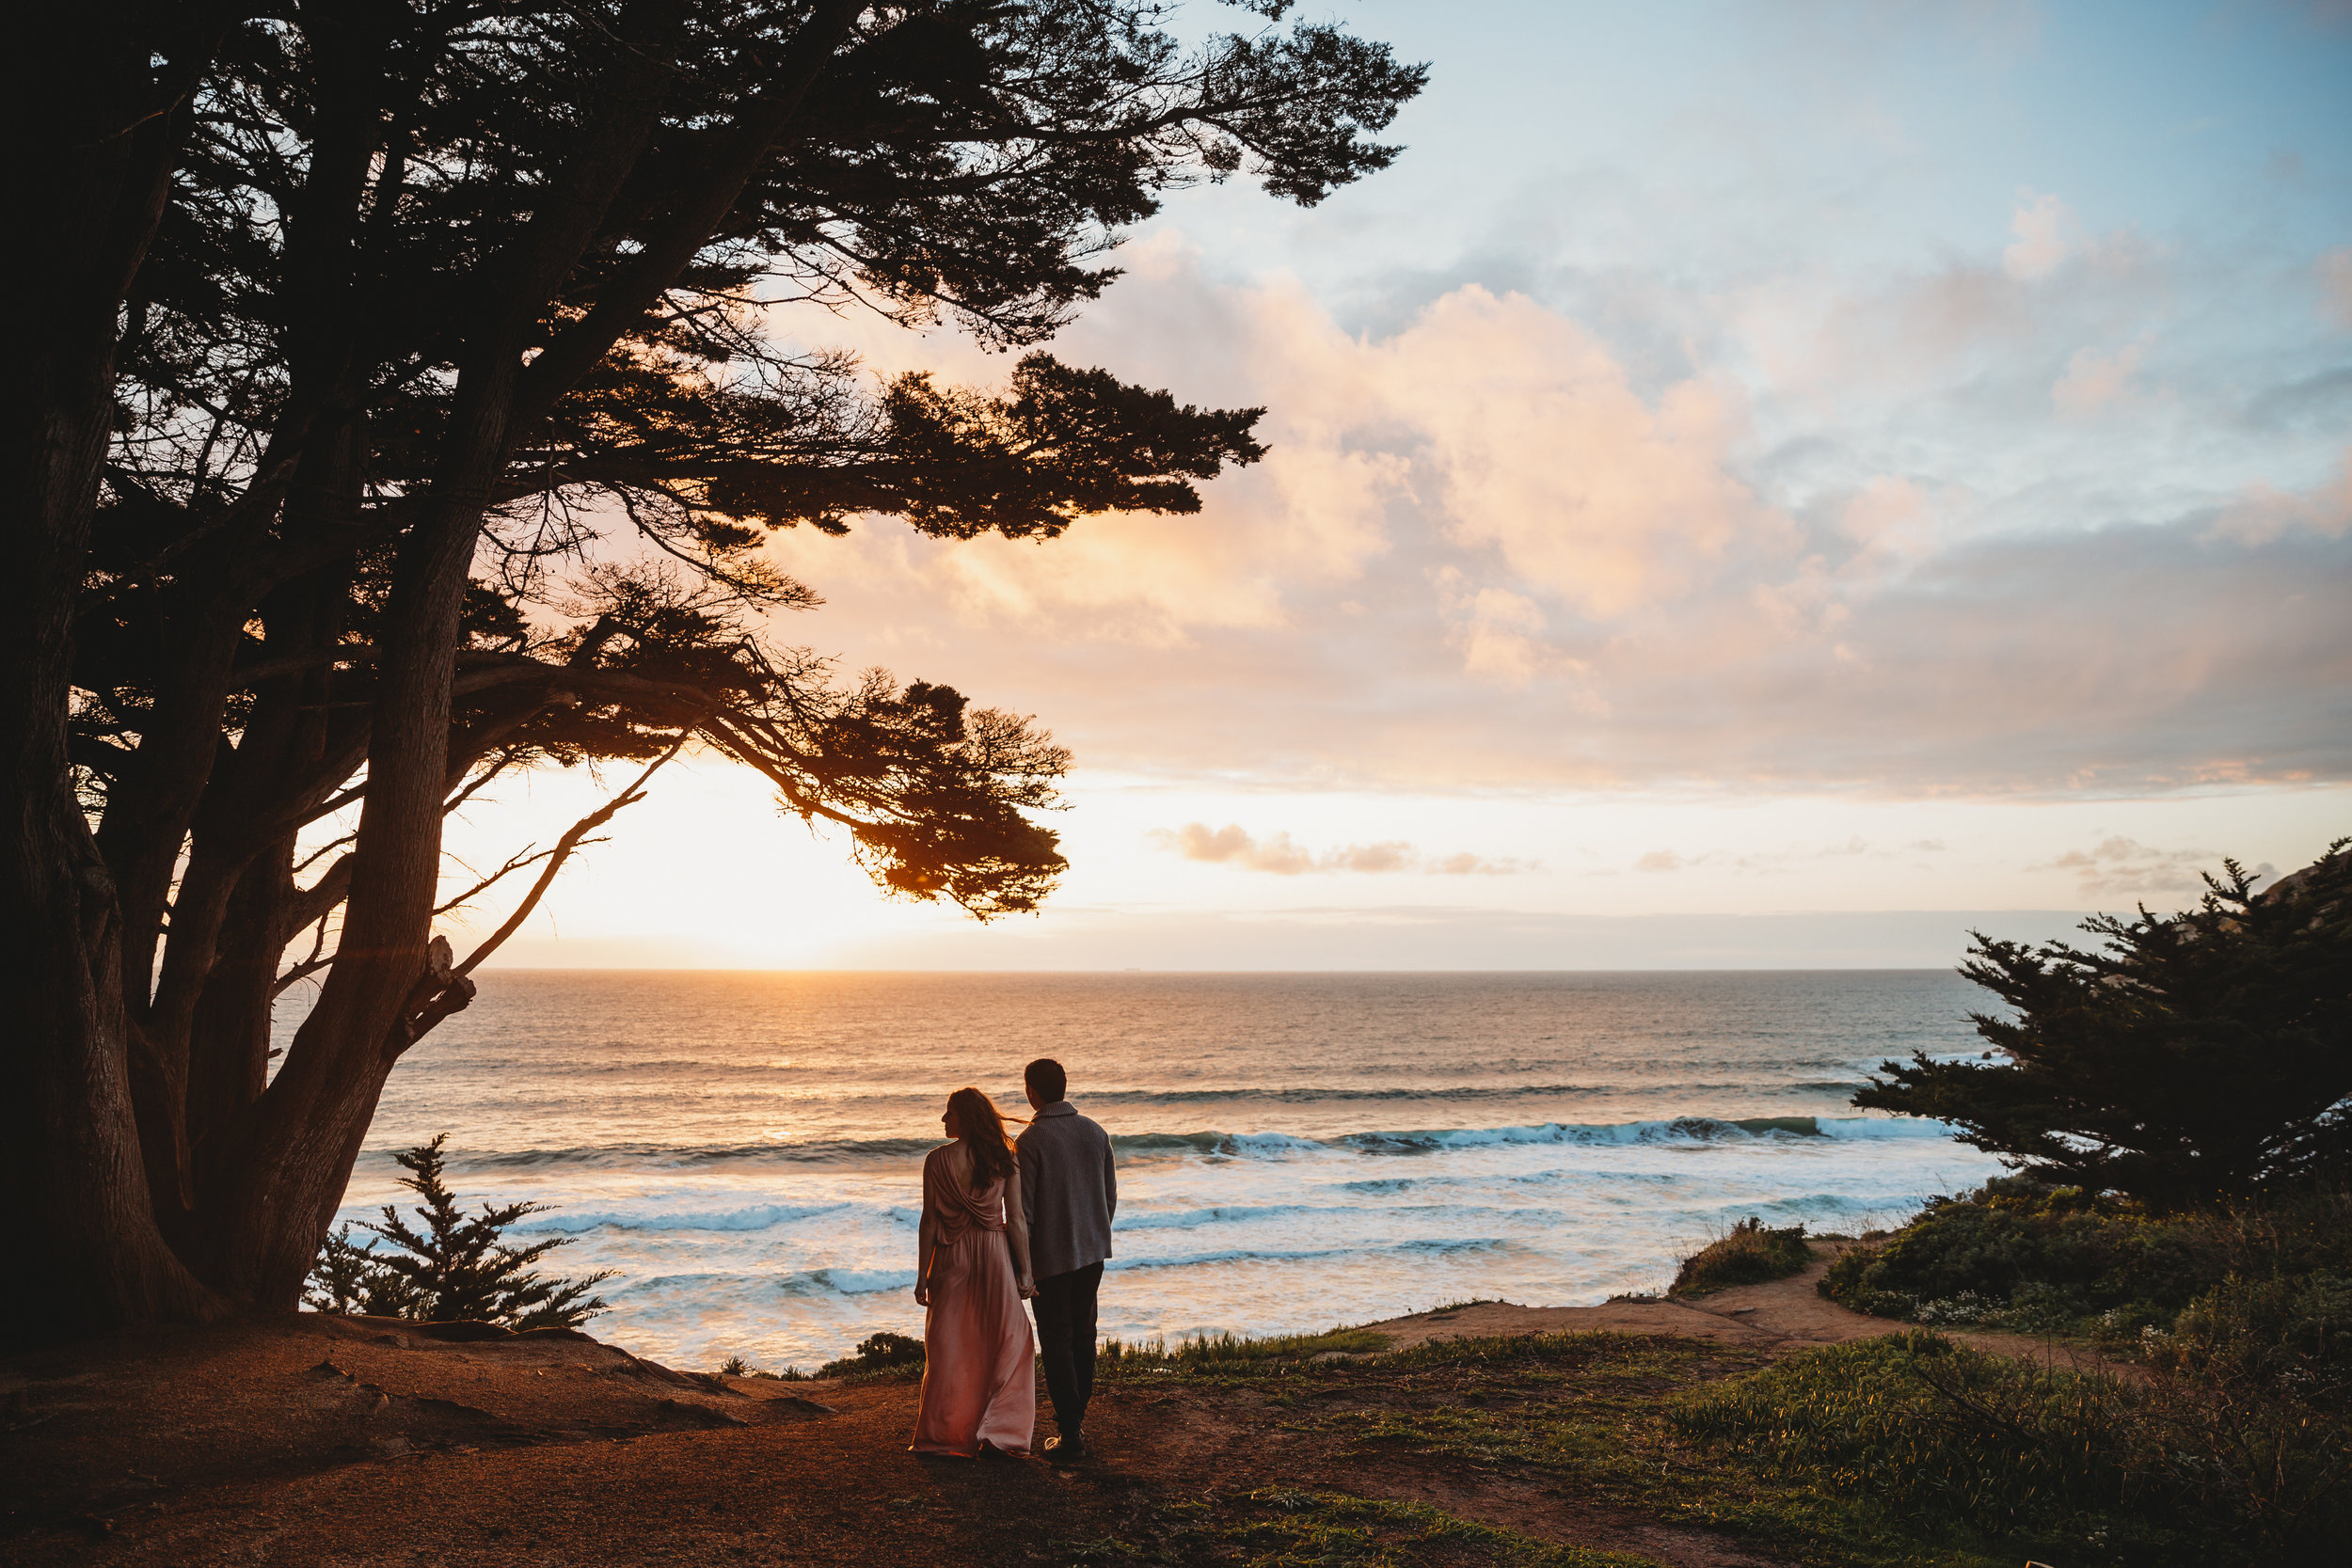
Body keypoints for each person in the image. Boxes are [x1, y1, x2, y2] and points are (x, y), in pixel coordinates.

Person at [909, 1086, 1037, 1458]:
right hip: (994, 1257)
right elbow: (1016, 1220)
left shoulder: (936, 1160)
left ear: (965, 1117)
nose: (944, 1120)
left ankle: (944, 1436)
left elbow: (929, 1221)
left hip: (951, 1259)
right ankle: (1000, 1432)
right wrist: (1025, 1273)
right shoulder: (1003, 1157)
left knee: (950, 1347)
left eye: (949, 1113)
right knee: (1011, 1339)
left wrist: (923, 1274)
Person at [1015, 1056, 1117, 1463]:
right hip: (1092, 1255)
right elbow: (1109, 1198)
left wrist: (1023, 1266)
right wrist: (1093, 1234)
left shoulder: (1031, 1141)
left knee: (1056, 1340)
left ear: (1032, 1092)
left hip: (1051, 1260)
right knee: (1084, 1334)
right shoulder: (1095, 1132)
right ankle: (1077, 1421)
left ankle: (1070, 1432)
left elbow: (1023, 1214)